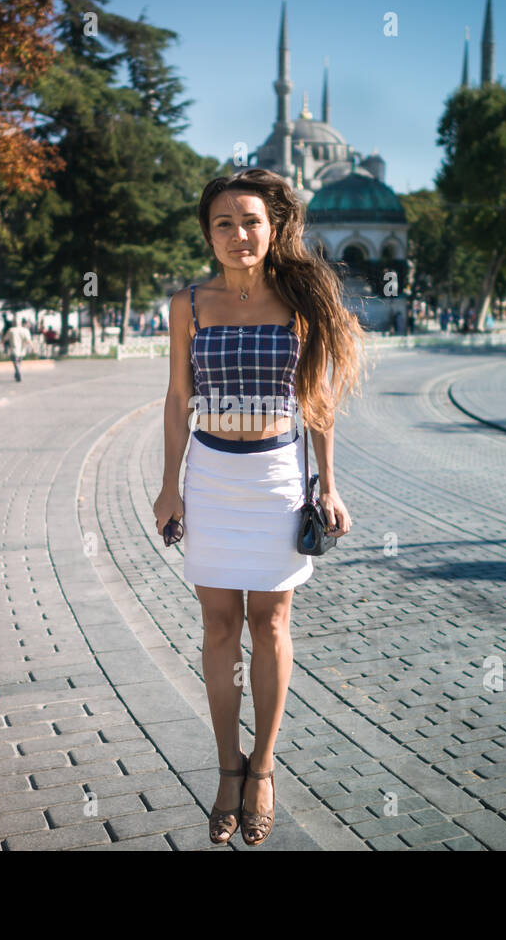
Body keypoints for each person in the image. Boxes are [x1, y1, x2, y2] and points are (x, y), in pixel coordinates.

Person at [153, 168, 363, 846]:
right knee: (218, 629)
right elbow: (177, 397)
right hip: (212, 477)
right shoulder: (189, 302)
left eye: (251, 221)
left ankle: (263, 768)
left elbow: (319, 400)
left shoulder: (302, 296)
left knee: (269, 625)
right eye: (224, 223)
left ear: (274, 226)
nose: (239, 235)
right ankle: (225, 768)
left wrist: (327, 484)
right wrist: (168, 483)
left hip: (277, 477)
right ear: (207, 232)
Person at [4, 317, 32, 382]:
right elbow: (29, 340)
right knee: (19, 362)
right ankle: (17, 373)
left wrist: (2, 343)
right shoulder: (25, 330)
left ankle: (18, 372)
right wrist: (32, 347)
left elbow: (5, 338)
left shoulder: (11, 330)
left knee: (15, 362)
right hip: (22, 350)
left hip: (14, 349)